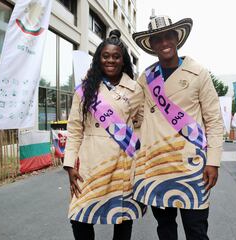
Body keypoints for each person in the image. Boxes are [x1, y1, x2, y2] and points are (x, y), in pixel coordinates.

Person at [132, 13, 223, 240]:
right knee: (165, 230)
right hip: (157, 165)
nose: (164, 43)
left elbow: (214, 120)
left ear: (177, 38)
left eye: (168, 37)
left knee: (196, 230)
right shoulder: (146, 77)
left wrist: (213, 161)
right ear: (151, 45)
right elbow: (139, 118)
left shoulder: (198, 72)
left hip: (191, 166)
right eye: (158, 39)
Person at [63, 30, 145, 240]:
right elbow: (74, 129)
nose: (111, 60)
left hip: (123, 162)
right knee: (79, 213)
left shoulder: (135, 89)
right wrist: (70, 164)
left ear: (123, 60)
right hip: (90, 161)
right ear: (99, 59)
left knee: (122, 214)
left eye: (116, 56)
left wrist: (137, 150)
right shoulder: (86, 88)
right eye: (106, 56)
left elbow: (141, 124)